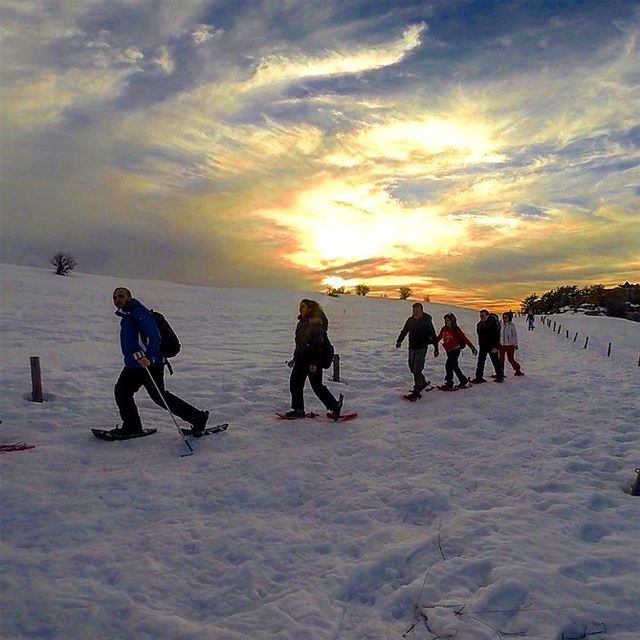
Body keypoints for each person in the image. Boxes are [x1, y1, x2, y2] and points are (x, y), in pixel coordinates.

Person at [110, 287, 209, 437]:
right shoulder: (127, 315)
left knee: (158, 396)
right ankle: (132, 426)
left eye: (121, 296)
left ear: (129, 297)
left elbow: (154, 336)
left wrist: (148, 357)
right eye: (115, 298)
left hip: (149, 363)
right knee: (123, 391)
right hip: (135, 363)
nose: (118, 300)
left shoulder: (139, 312)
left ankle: (198, 418)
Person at [285, 299, 342, 419]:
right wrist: (295, 358)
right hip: (301, 359)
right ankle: (298, 409)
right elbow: (300, 344)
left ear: (310, 309)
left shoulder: (315, 324)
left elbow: (318, 345)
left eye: (303, 307)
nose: (301, 309)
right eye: (300, 306)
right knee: (295, 383)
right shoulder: (301, 323)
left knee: (316, 385)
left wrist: (314, 362)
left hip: (312, 360)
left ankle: (335, 406)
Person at [396, 302, 439, 399]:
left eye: (417, 311)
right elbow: (404, 331)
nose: (415, 312)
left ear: (421, 311)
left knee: (417, 369)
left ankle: (416, 391)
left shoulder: (426, 321)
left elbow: (433, 334)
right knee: (412, 368)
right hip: (412, 348)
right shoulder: (410, 320)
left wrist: (436, 348)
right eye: (414, 311)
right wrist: (399, 341)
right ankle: (422, 382)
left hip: (422, 348)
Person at [435, 313, 477, 390]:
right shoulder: (444, 329)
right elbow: (438, 338)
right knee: (454, 366)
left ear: (452, 321)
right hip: (448, 351)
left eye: (448, 320)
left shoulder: (456, 329)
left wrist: (472, 347)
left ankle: (450, 383)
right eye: (445, 320)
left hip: (455, 349)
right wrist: (431, 343)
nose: (446, 322)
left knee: (449, 365)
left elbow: (464, 338)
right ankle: (462, 381)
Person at [473, 309, 505, 383]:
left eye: (483, 315)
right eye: (480, 315)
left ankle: (500, 376)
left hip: (492, 345)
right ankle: (479, 378)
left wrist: (496, 347)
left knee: (495, 361)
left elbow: (497, 336)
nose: (481, 317)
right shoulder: (479, 324)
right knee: (480, 362)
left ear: (487, 315)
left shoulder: (493, 323)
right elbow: (479, 335)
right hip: (483, 346)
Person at [499, 311, 524, 376]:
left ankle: (517, 370)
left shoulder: (512, 325)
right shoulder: (501, 325)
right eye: (503, 317)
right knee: (501, 359)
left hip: (510, 345)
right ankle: (500, 373)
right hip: (501, 345)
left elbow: (514, 335)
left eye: (506, 317)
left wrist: (516, 344)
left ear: (509, 318)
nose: (504, 318)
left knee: (510, 359)